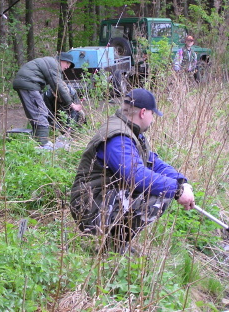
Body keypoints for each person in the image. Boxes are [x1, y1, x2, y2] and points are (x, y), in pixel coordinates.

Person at [70, 88, 195, 254]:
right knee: (158, 196)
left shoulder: (130, 131)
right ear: (143, 113)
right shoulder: (118, 138)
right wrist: (176, 190)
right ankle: (114, 246)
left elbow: (153, 162)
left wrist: (182, 182)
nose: (153, 119)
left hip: (103, 196)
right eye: (153, 114)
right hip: (88, 205)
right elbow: (136, 176)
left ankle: (116, 244)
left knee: (159, 188)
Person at [12, 52, 83, 147]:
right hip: (29, 83)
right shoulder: (54, 65)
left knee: (36, 113)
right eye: (67, 64)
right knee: (40, 113)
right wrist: (72, 104)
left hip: (26, 82)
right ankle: (43, 145)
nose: (67, 67)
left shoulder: (50, 62)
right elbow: (58, 85)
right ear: (62, 60)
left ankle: (37, 141)